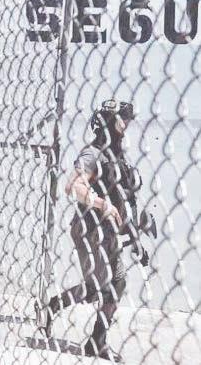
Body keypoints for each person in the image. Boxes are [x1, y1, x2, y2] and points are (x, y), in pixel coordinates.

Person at [43, 99, 152, 361]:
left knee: (116, 283)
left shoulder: (120, 158)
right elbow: (73, 187)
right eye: (122, 120)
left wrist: (136, 237)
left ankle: (96, 340)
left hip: (110, 232)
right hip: (89, 228)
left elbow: (126, 200)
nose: (126, 126)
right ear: (109, 122)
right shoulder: (93, 153)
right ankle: (58, 308)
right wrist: (102, 204)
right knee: (100, 288)